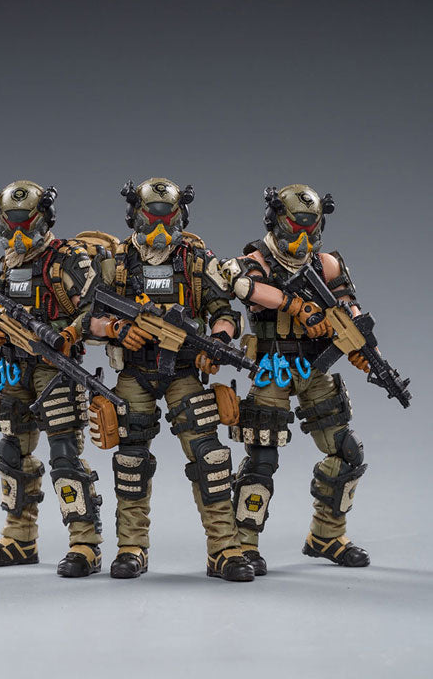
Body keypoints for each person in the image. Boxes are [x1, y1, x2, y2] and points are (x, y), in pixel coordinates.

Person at [81, 177, 254, 581]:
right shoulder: (113, 263)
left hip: (183, 372)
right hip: (135, 371)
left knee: (210, 457)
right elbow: (86, 320)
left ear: (180, 218)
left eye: (168, 219)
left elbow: (224, 311)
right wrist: (116, 329)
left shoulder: (197, 261)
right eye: (150, 219)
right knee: (131, 460)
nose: (159, 228)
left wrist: (219, 340)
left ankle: (224, 549)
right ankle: (131, 547)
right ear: (135, 216)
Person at [221, 184, 370, 574]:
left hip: (314, 367)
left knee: (346, 451)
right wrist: (297, 306)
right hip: (272, 368)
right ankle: (244, 544)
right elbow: (243, 286)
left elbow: (349, 306)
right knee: (261, 459)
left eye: (310, 228)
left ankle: (327, 536)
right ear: (276, 220)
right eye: (294, 227)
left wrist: (356, 340)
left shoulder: (328, 264)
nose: (302, 238)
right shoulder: (257, 259)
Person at [0, 180, 103, 577]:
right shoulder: (8, 262)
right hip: (13, 365)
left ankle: (85, 544)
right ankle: (19, 538)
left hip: (54, 367)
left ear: (44, 219)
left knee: (64, 454)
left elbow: (97, 309)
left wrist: (67, 334)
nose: (18, 234)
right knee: (12, 451)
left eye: (26, 225)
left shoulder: (67, 259)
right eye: (10, 225)